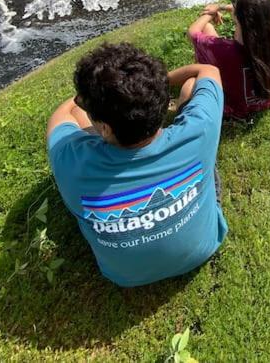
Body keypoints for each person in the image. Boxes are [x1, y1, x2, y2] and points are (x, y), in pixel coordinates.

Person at [46, 42, 227, 287]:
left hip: (125, 277)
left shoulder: (68, 160)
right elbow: (207, 71)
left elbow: (61, 116)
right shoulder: (200, 127)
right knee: (205, 159)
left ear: (106, 128)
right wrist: (151, 88)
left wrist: (92, 98)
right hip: (205, 246)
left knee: (77, 118)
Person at [188, 0, 270, 119]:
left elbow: (193, 32)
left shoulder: (226, 50)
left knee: (206, 28)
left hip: (238, 107)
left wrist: (210, 13)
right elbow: (258, 11)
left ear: (239, 18)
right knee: (209, 30)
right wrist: (220, 7)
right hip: (268, 99)